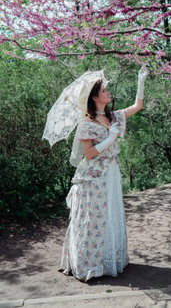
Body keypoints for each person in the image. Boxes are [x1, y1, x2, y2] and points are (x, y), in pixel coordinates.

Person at [58, 65, 149, 282]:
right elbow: (88, 154)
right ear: (95, 97)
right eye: (104, 90)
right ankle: (89, 263)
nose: (108, 93)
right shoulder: (86, 123)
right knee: (94, 218)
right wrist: (110, 139)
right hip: (93, 177)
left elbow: (138, 105)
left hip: (112, 172)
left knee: (111, 215)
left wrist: (141, 80)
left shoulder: (113, 117)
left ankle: (110, 260)